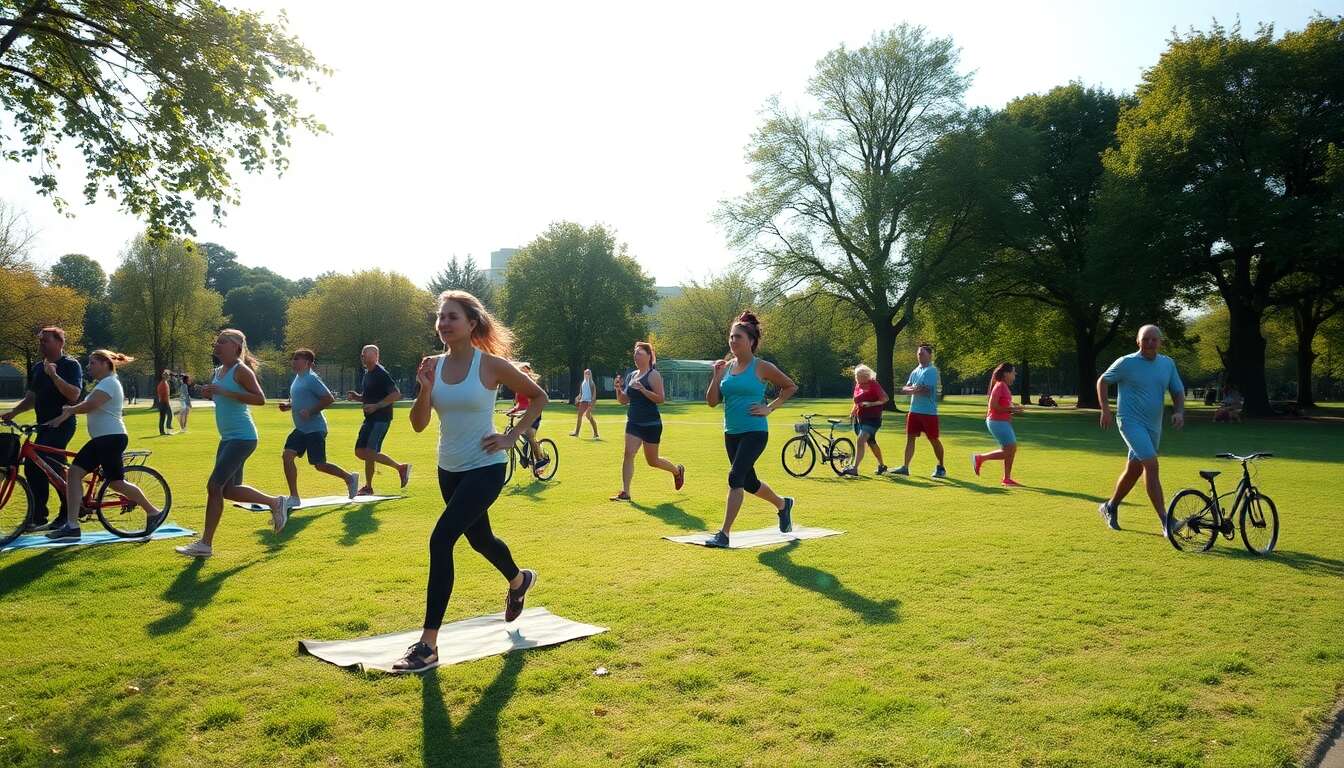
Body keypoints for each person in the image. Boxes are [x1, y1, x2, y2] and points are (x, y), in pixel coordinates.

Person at [394, 290, 544, 672]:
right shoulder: (432, 366)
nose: (444, 323)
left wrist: (512, 437)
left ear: (471, 323)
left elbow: (538, 397)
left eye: (452, 317)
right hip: (449, 469)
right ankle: (519, 580)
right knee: (480, 539)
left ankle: (428, 645)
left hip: (486, 466)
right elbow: (418, 424)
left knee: (441, 539)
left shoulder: (490, 365)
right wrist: (425, 388)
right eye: (441, 317)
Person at [174, 329, 295, 558]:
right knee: (229, 490)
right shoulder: (218, 371)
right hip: (229, 438)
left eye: (222, 342)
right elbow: (223, 396)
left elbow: (259, 399)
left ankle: (205, 544)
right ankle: (275, 502)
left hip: (242, 437)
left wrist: (225, 392)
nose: (216, 345)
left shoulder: (241, 370)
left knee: (214, 486)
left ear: (236, 348)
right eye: (216, 342)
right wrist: (212, 394)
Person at [41, 350, 165, 539]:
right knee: (74, 472)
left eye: (92, 363)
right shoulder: (103, 384)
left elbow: (90, 405)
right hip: (102, 439)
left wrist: (70, 410)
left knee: (116, 483)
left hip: (111, 438)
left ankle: (153, 511)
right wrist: (60, 418)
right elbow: (85, 406)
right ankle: (72, 526)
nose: (88, 366)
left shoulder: (110, 383)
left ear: (105, 364)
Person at [704, 311, 798, 548]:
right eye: (731, 336)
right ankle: (783, 504)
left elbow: (789, 387)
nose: (733, 340)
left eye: (738, 337)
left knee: (735, 477)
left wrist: (769, 408)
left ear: (751, 341)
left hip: (755, 432)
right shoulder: (726, 367)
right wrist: (716, 376)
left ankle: (724, 534)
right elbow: (712, 402)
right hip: (731, 432)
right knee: (748, 482)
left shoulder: (762, 367)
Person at [1096, 324, 1185, 534]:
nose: (1150, 343)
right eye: (1145, 339)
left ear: (1160, 342)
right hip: (1130, 422)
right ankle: (1166, 521)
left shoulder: (1167, 364)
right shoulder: (1126, 362)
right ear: (1138, 341)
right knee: (1151, 466)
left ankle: (1110, 506)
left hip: (1153, 426)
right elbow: (1103, 381)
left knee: (1135, 470)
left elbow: (1178, 390)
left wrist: (1179, 412)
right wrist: (1105, 409)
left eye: (1154, 339)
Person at [0, 327, 82, 531]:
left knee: (50, 465)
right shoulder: (38, 368)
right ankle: (39, 515)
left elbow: (74, 395)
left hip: (62, 424)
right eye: (40, 341)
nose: (41, 344)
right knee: (32, 467)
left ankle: (67, 513)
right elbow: (31, 398)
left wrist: (53, 375)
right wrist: (14, 412)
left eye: (46, 341)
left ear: (59, 343)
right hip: (43, 426)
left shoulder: (70, 365)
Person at [279, 349, 361, 506]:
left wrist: (311, 412)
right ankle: (294, 497)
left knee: (320, 465)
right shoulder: (298, 378)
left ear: (307, 363)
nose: (293, 362)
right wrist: (289, 406)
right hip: (301, 429)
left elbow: (329, 399)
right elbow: (303, 400)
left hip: (315, 429)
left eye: (297, 359)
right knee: (287, 456)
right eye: (293, 359)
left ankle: (349, 478)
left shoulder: (311, 379)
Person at [609, 342, 684, 501]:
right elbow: (623, 400)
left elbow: (661, 399)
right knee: (628, 454)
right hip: (633, 422)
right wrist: (618, 389)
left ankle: (677, 471)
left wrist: (643, 390)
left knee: (653, 461)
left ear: (649, 356)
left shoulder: (653, 375)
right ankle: (626, 492)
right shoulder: (631, 375)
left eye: (639, 353)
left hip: (651, 424)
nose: (636, 356)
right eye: (635, 353)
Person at [346, 345, 410, 495]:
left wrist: (377, 406)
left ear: (376, 356)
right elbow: (369, 397)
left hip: (381, 419)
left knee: (369, 451)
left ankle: (371, 485)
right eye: (362, 355)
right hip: (370, 419)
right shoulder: (368, 373)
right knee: (361, 451)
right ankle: (398, 469)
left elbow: (396, 394)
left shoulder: (381, 374)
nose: (363, 357)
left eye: (366, 355)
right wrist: (357, 397)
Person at [890, 342, 946, 478]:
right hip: (914, 411)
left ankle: (941, 467)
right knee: (910, 438)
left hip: (928, 412)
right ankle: (905, 467)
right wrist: (914, 389)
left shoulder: (931, 371)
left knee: (933, 439)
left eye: (922, 354)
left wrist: (912, 389)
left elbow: (926, 390)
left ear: (929, 355)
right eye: (918, 354)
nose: (919, 356)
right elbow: (905, 388)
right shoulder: (915, 370)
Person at [971, 362, 1026, 486]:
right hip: (997, 422)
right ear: (1006, 374)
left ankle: (1007, 479)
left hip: (1001, 422)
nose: (1015, 375)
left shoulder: (1003, 386)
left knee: (1010, 449)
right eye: (1013, 373)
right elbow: (993, 406)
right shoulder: (1000, 385)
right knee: (1010, 450)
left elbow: (1005, 404)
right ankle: (980, 458)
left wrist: (1015, 407)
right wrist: (1012, 409)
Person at [843, 364, 888, 476]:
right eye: (856, 375)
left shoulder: (873, 384)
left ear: (866, 375)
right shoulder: (858, 385)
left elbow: (885, 398)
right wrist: (853, 410)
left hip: (873, 419)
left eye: (859, 375)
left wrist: (871, 404)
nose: (856, 377)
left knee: (860, 440)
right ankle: (882, 466)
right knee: (871, 442)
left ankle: (854, 468)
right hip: (860, 419)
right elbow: (856, 400)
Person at [505, 363, 549, 476]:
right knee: (516, 434)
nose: (522, 372)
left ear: (529, 371)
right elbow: (519, 404)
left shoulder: (532, 385)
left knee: (529, 434)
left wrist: (525, 412)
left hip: (534, 414)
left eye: (525, 370)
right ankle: (526, 456)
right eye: (521, 370)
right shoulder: (518, 386)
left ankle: (540, 460)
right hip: (522, 414)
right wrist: (512, 410)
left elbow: (535, 402)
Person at [570, 368, 599, 438]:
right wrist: (577, 398)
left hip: (589, 402)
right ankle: (576, 433)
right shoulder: (583, 382)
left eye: (588, 373)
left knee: (588, 416)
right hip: (583, 401)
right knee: (579, 416)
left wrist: (592, 403)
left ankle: (596, 433)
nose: (587, 374)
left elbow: (594, 394)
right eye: (586, 373)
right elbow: (581, 393)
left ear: (590, 375)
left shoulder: (591, 383)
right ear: (584, 374)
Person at [156, 369, 174, 435]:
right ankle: (168, 427)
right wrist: (167, 403)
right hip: (164, 402)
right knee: (170, 415)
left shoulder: (161, 383)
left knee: (162, 417)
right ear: (165, 376)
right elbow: (165, 395)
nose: (169, 377)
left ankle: (162, 432)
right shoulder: (164, 384)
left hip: (161, 402)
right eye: (168, 375)